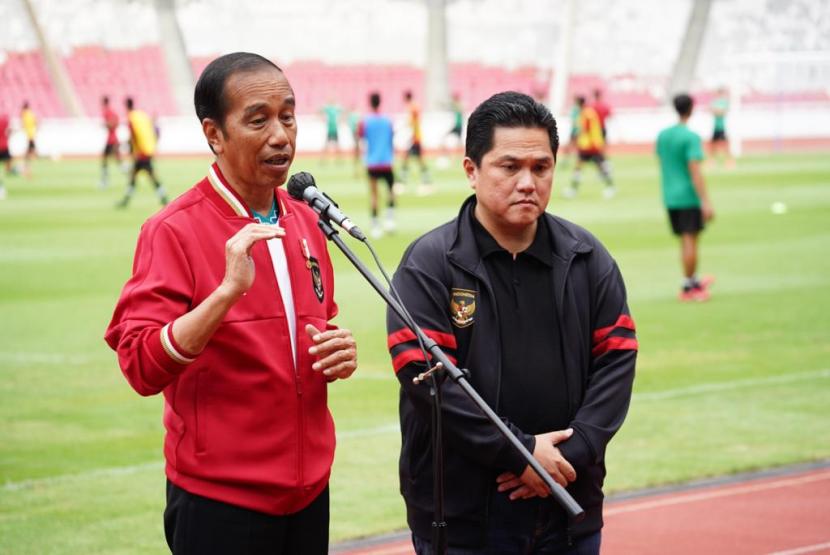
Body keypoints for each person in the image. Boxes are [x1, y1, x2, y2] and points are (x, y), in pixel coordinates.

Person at [104, 52, 358, 555]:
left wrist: (339, 352)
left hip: (309, 493)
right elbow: (139, 366)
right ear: (214, 134)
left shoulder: (307, 221)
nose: (281, 135)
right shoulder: (172, 230)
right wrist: (224, 295)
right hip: (220, 502)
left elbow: (314, 328)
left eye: (288, 116)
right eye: (258, 119)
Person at [386, 91, 637, 554]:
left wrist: (569, 454)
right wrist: (518, 453)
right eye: (509, 167)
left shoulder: (587, 257)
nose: (528, 182)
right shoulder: (430, 264)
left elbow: (617, 363)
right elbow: (428, 381)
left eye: (541, 168)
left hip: (568, 503)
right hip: (463, 519)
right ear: (471, 171)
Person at [656, 93, 715, 302]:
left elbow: (662, 160)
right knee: (691, 239)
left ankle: (691, 280)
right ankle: (689, 287)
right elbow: (695, 170)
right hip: (687, 196)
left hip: (670, 195)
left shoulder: (663, 135)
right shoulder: (690, 137)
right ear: (691, 108)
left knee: (684, 239)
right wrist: (705, 201)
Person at [115, 97, 168, 208]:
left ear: (126, 106)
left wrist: (132, 150)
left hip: (141, 153)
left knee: (149, 177)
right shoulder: (140, 115)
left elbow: (133, 135)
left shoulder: (131, 118)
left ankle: (164, 198)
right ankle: (126, 200)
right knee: (137, 176)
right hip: (147, 150)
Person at [359, 91, 396, 238]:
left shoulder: (365, 121)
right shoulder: (388, 121)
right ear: (380, 102)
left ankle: (375, 225)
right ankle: (390, 220)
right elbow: (391, 140)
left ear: (370, 102)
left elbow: (361, 140)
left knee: (374, 195)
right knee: (390, 191)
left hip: (372, 163)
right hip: (386, 161)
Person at [565, 95, 615, 199]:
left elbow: (584, 130)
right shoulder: (588, 112)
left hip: (589, 146)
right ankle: (573, 189)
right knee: (583, 167)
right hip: (590, 145)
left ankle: (610, 187)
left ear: (579, 103)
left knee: (590, 167)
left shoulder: (586, 114)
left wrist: (573, 142)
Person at [399, 89, 433, 195]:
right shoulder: (414, 106)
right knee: (416, 160)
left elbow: (413, 122)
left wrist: (412, 136)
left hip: (415, 138)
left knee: (410, 159)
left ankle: (403, 183)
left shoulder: (412, 107)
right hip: (415, 137)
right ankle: (426, 182)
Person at [99, 96, 123, 189]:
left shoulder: (107, 112)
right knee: (117, 161)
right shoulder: (111, 111)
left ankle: (105, 182)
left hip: (111, 140)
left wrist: (105, 125)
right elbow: (116, 121)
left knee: (105, 161)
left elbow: (112, 124)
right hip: (113, 139)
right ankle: (105, 181)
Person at [709, 87, 734, 167]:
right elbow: (712, 111)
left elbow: (723, 112)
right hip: (715, 126)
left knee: (725, 144)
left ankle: (729, 161)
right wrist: (717, 111)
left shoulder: (724, 102)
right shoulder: (715, 102)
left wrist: (717, 111)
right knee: (713, 145)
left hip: (722, 127)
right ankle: (712, 161)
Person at [20, 101, 37, 177]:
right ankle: (25, 168)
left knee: (29, 153)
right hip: (31, 135)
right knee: (29, 153)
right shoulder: (30, 114)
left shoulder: (25, 114)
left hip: (29, 135)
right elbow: (36, 122)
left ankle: (25, 168)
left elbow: (23, 125)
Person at [0, 112, 11, 199]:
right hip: (4, 146)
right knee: (8, 165)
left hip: (3, 145)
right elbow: (9, 130)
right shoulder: (4, 119)